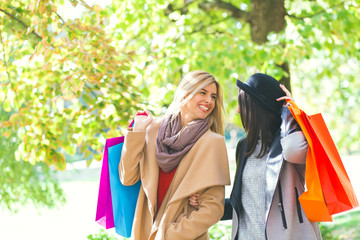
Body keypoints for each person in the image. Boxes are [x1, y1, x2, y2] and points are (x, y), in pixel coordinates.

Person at [190, 73, 322, 239]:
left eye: (243, 103)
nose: (238, 110)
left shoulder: (288, 141)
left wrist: (289, 109)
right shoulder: (245, 146)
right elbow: (243, 202)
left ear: (258, 107)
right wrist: (205, 202)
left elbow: (293, 150)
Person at [119, 70, 231, 240]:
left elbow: (213, 208)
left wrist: (169, 235)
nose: (209, 101)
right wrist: (137, 133)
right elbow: (127, 177)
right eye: (203, 92)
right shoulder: (151, 130)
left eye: (213, 97)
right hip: (145, 232)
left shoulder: (212, 142)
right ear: (185, 93)